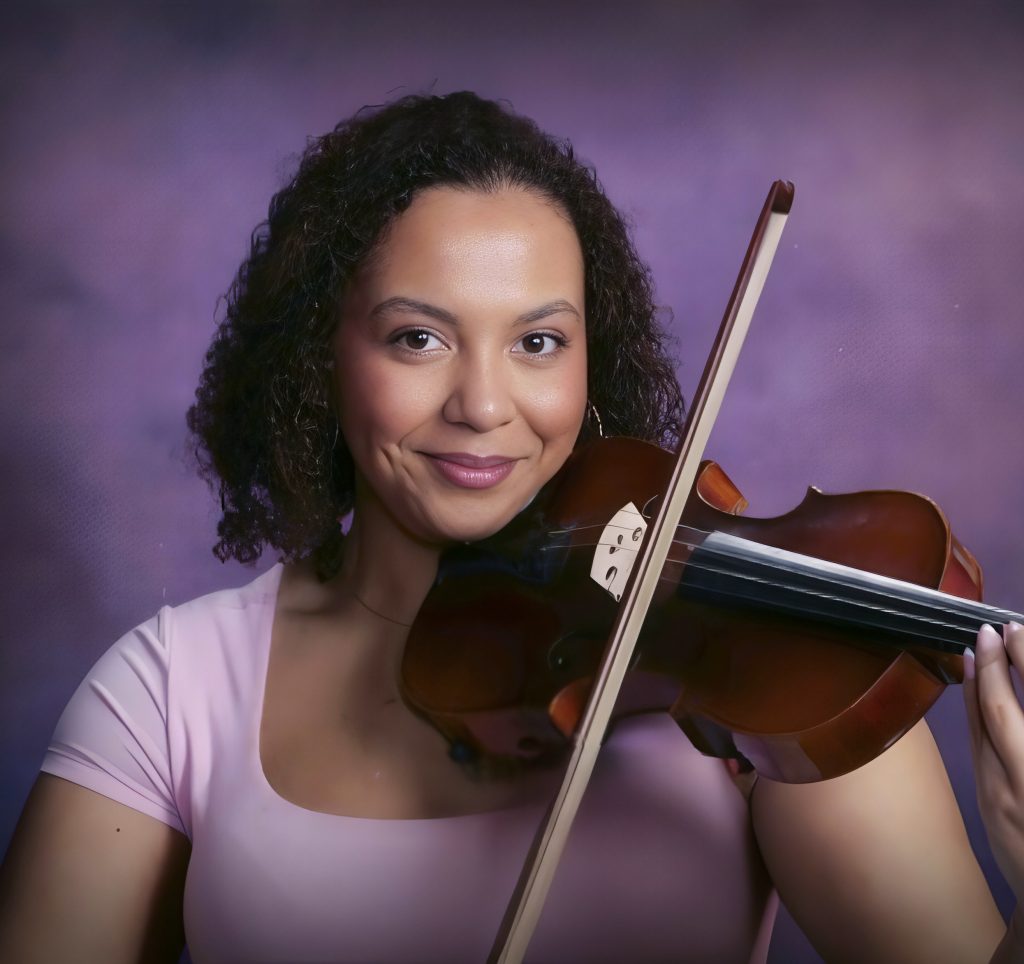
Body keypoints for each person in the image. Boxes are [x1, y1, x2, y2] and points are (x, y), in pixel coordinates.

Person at [0, 91, 1021, 963]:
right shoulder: (171, 692)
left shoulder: (767, 674)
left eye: (538, 340)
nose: (484, 404)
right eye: (418, 338)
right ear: (321, 356)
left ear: (592, 354)